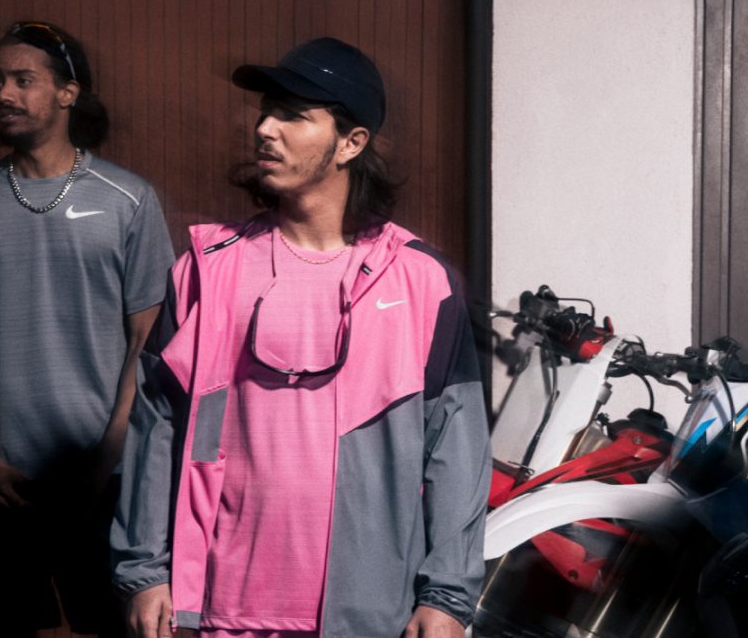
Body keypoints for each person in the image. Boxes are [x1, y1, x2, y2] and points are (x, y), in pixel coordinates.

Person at [111, 37, 491, 638]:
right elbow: (156, 425)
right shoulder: (207, 269)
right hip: (219, 608)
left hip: (367, 615)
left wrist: (447, 598)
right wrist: (144, 571)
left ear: (351, 142)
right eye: (266, 112)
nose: (265, 129)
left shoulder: (421, 281)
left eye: (293, 115)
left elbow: (456, 447)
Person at [0, 21, 175, 636]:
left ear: (67, 93)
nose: (4, 93)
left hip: (101, 480)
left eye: (23, 80)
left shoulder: (127, 200)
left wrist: (105, 461)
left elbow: (146, 348)